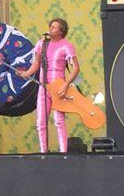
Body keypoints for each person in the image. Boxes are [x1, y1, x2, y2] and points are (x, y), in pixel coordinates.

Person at [18, 18, 80, 153]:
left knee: (59, 120)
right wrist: (26, 73)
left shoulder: (66, 45)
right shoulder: (42, 44)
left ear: (61, 31)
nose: (50, 29)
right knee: (41, 122)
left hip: (59, 87)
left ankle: (63, 152)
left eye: (54, 27)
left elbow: (76, 68)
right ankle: (44, 152)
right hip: (43, 86)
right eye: (50, 26)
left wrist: (66, 85)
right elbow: (36, 64)